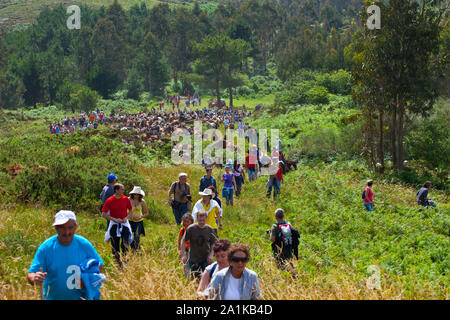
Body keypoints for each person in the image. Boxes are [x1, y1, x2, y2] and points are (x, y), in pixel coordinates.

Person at [27, 210, 105, 300]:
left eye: (70, 227)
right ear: (56, 228)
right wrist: (34, 278)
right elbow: (31, 274)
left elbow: (99, 266)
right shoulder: (46, 248)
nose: (67, 232)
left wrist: (87, 280)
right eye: (62, 228)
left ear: (75, 227)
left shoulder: (84, 244)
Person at [102, 184, 133, 268]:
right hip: (114, 224)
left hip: (124, 223)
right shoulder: (109, 200)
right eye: (122, 189)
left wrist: (126, 218)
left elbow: (130, 210)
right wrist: (114, 219)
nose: (123, 191)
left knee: (125, 243)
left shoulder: (126, 199)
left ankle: (125, 261)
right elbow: (104, 214)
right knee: (115, 245)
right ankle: (117, 262)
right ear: (116, 190)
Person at [180, 210, 217, 280]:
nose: (202, 222)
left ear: (206, 218)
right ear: (197, 218)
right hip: (194, 258)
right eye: (200, 220)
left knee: (207, 277)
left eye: (203, 220)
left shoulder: (209, 229)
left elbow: (214, 243)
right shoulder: (191, 228)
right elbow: (184, 241)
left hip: (205, 257)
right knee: (195, 278)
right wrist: (183, 254)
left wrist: (211, 255)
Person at [269, 208, 299, 279]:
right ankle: (295, 279)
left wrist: (270, 233)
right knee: (290, 265)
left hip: (279, 250)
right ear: (283, 216)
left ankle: (284, 279)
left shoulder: (275, 226)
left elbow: (272, 239)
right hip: (288, 247)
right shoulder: (288, 224)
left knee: (280, 266)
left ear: (275, 216)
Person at [128, 186, 149, 252]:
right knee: (130, 235)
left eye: (137, 194)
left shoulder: (142, 201)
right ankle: (132, 248)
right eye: (135, 194)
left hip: (138, 221)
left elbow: (146, 213)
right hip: (129, 220)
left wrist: (141, 217)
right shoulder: (128, 200)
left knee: (137, 236)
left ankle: (136, 249)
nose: (136, 196)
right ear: (132, 194)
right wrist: (129, 216)